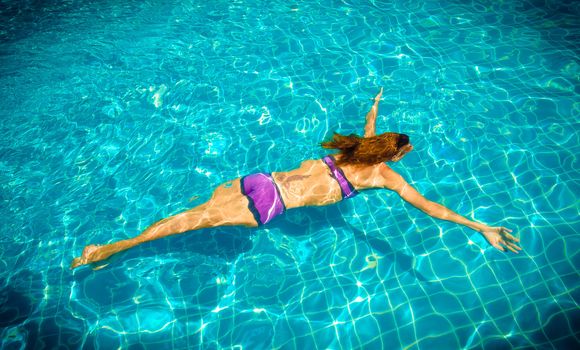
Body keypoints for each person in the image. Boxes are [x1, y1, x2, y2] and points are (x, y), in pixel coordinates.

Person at [70, 88, 521, 269]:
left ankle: (122, 245)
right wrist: (481, 227)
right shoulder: (384, 178)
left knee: (192, 213)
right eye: (406, 153)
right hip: (265, 206)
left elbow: (369, 123)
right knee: (190, 223)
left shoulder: (360, 146)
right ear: (395, 156)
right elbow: (432, 209)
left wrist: (377, 103)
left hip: (257, 180)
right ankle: (112, 249)